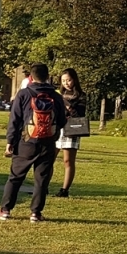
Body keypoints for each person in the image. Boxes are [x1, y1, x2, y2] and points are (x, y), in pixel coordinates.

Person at [0, 63, 66, 223]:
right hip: (48, 142)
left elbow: (14, 120)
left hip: (26, 142)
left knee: (15, 177)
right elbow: (62, 121)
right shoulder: (56, 96)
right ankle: (36, 213)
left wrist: (10, 141)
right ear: (48, 76)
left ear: (31, 77)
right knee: (42, 179)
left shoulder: (24, 94)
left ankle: (5, 210)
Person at [54, 67, 87, 198]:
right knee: (49, 158)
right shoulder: (57, 95)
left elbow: (80, 114)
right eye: (63, 81)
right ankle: (43, 186)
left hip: (72, 128)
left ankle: (64, 189)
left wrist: (68, 107)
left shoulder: (81, 96)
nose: (66, 83)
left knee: (68, 161)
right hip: (57, 128)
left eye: (68, 80)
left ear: (74, 80)